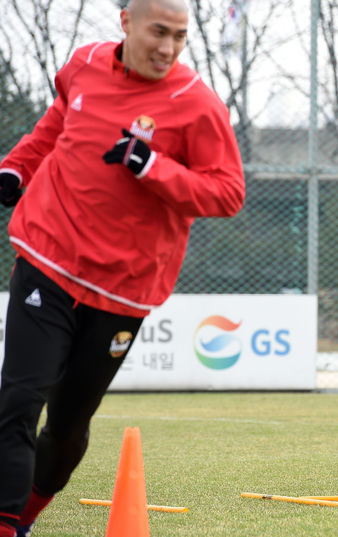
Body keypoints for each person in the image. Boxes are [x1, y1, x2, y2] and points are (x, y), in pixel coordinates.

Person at [0, 0, 245, 534]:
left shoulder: (198, 105)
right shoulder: (83, 65)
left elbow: (227, 193)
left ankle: (25, 517)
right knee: (18, 401)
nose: (168, 47)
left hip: (122, 292)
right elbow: (56, 124)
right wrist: (17, 167)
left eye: (179, 36)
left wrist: (152, 166)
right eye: (159, 32)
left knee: (67, 427)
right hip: (47, 260)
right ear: (126, 23)